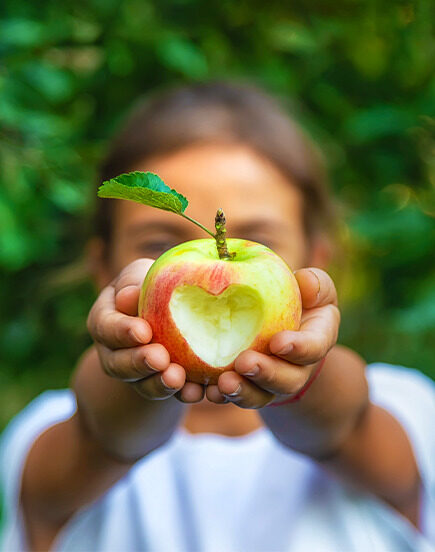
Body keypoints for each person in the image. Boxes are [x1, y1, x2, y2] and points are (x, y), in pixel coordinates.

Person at [1, 81, 434, 552]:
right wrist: (135, 367)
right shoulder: (51, 433)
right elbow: (102, 433)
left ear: (316, 262)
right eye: (157, 245)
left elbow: (343, 424)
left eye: (262, 241)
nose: (215, 277)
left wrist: (301, 371)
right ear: (104, 268)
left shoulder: (406, 407)